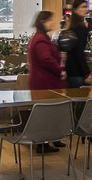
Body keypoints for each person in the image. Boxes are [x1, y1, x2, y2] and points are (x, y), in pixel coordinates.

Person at [26, 11, 65, 154]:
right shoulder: (41, 40)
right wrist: (60, 69)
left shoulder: (39, 38)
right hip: (45, 81)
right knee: (45, 113)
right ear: (43, 22)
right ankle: (42, 143)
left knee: (47, 112)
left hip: (42, 80)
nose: (52, 23)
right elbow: (46, 59)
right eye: (49, 20)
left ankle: (48, 140)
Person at [63, 0, 92, 89]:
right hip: (78, 72)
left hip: (70, 69)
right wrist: (86, 72)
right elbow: (79, 52)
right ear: (75, 10)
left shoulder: (72, 27)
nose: (85, 9)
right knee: (80, 97)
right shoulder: (80, 28)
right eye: (83, 7)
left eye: (86, 7)